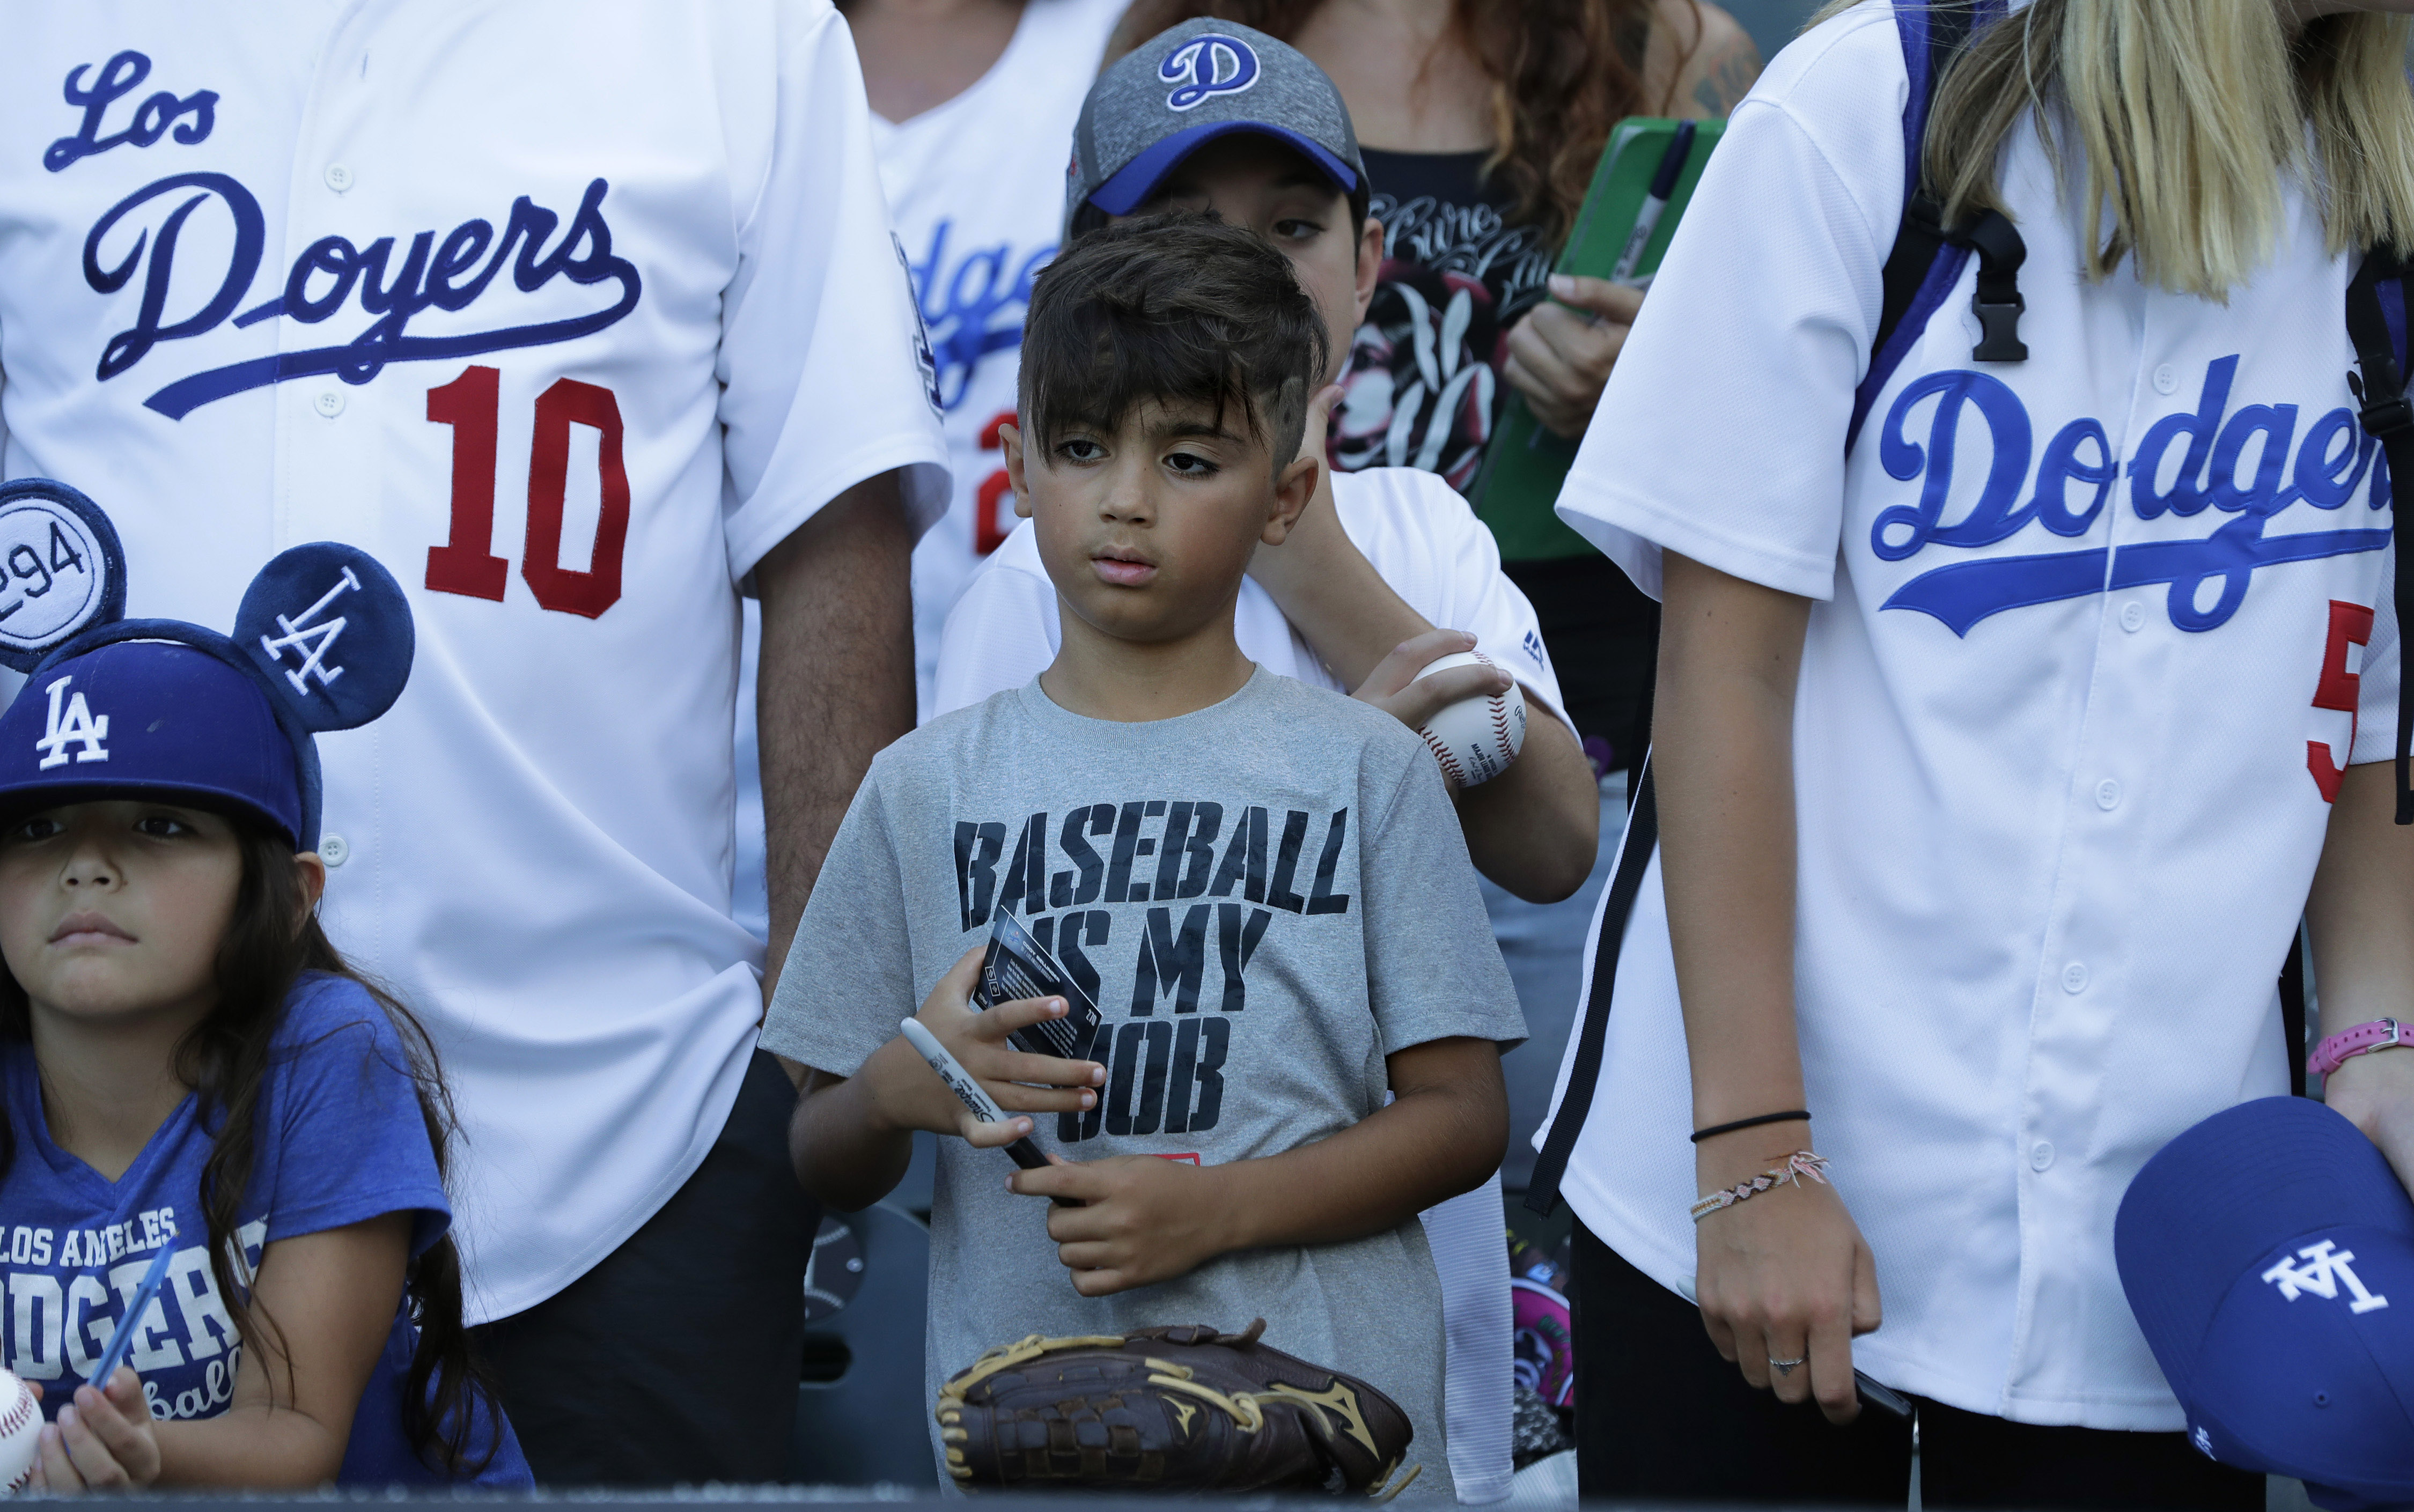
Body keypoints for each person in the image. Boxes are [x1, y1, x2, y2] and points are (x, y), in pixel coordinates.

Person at [0, 4, 948, 1484]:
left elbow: (832, 529)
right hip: (89, 1160)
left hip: (626, 1135)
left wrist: (815, 1082)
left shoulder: (736, 33)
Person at [1535, 0, 2414, 1504]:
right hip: (1759, 1169)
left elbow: (2367, 701)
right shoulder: (1880, 107)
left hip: (2167, 1235)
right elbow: (1721, 674)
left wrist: (2376, 1034)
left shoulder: (2380, 192)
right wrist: (1753, 1152)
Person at [932, 23, 1598, 1498]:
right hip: (1099, 1320)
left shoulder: (1426, 530)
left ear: (1367, 269)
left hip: (1382, 1328)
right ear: (1077, 285)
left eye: (1294, 229)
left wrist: (1294, 538)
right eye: (1182, 229)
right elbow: (987, 958)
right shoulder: (1020, 585)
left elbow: (1554, 848)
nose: (1247, 270)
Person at [765, 215, 1527, 1500]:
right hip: (1037, 1452)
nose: (1125, 497)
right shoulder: (922, 786)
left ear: (1286, 495)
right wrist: (895, 1087)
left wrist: (1218, 1211)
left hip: (1329, 1449)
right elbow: (823, 1150)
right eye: (1081, 448)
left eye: (1187, 457)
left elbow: (1464, 1122)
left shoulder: (1367, 768)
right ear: (1017, 464)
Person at [0, 523, 527, 1491]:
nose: (85, 865)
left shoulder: (327, 1050)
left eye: (160, 824)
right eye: (35, 826)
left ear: (290, 896)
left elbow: (294, 1435)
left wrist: (128, 1457)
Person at [1105, 0, 1761, 772]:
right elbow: (1088, 338)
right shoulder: (1184, 31)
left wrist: (1653, 369)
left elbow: (1772, 412)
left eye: (1294, 225)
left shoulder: (1666, 44)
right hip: (1241, 682)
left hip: (1581, 700)